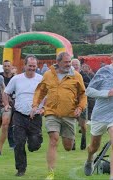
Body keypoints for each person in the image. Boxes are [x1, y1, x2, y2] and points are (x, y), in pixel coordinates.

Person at [31, 52, 87, 180]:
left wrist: (80, 107)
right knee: (53, 138)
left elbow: (83, 95)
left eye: (70, 62)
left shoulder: (76, 76)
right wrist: (35, 105)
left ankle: (68, 138)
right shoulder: (48, 74)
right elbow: (40, 91)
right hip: (52, 112)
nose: (69, 64)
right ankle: (50, 172)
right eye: (66, 62)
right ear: (59, 62)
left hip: (69, 114)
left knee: (68, 146)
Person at [83, 47, 113, 180]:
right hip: (100, 115)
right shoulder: (103, 71)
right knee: (94, 147)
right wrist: (106, 93)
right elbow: (89, 91)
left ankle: (112, 177)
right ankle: (89, 159)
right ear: (112, 59)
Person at [4, 55, 44, 177]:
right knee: (19, 142)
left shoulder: (41, 79)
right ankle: (21, 169)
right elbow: (6, 92)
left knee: (34, 145)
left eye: (34, 66)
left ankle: (37, 140)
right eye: (29, 66)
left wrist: (43, 108)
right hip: (19, 115)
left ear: (37, 66)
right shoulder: (17, 79)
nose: (31, 68)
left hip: (35, 117)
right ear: (24, 66)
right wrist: (6, 104)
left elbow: (48, 95)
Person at [0, 60, 15, 155]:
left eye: (8, 66)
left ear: (11, 67)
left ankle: (12, 144)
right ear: (3, 67)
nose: (6, 67)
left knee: (9, 124)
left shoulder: (15, 78)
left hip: (12, 104)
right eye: (5, 66)